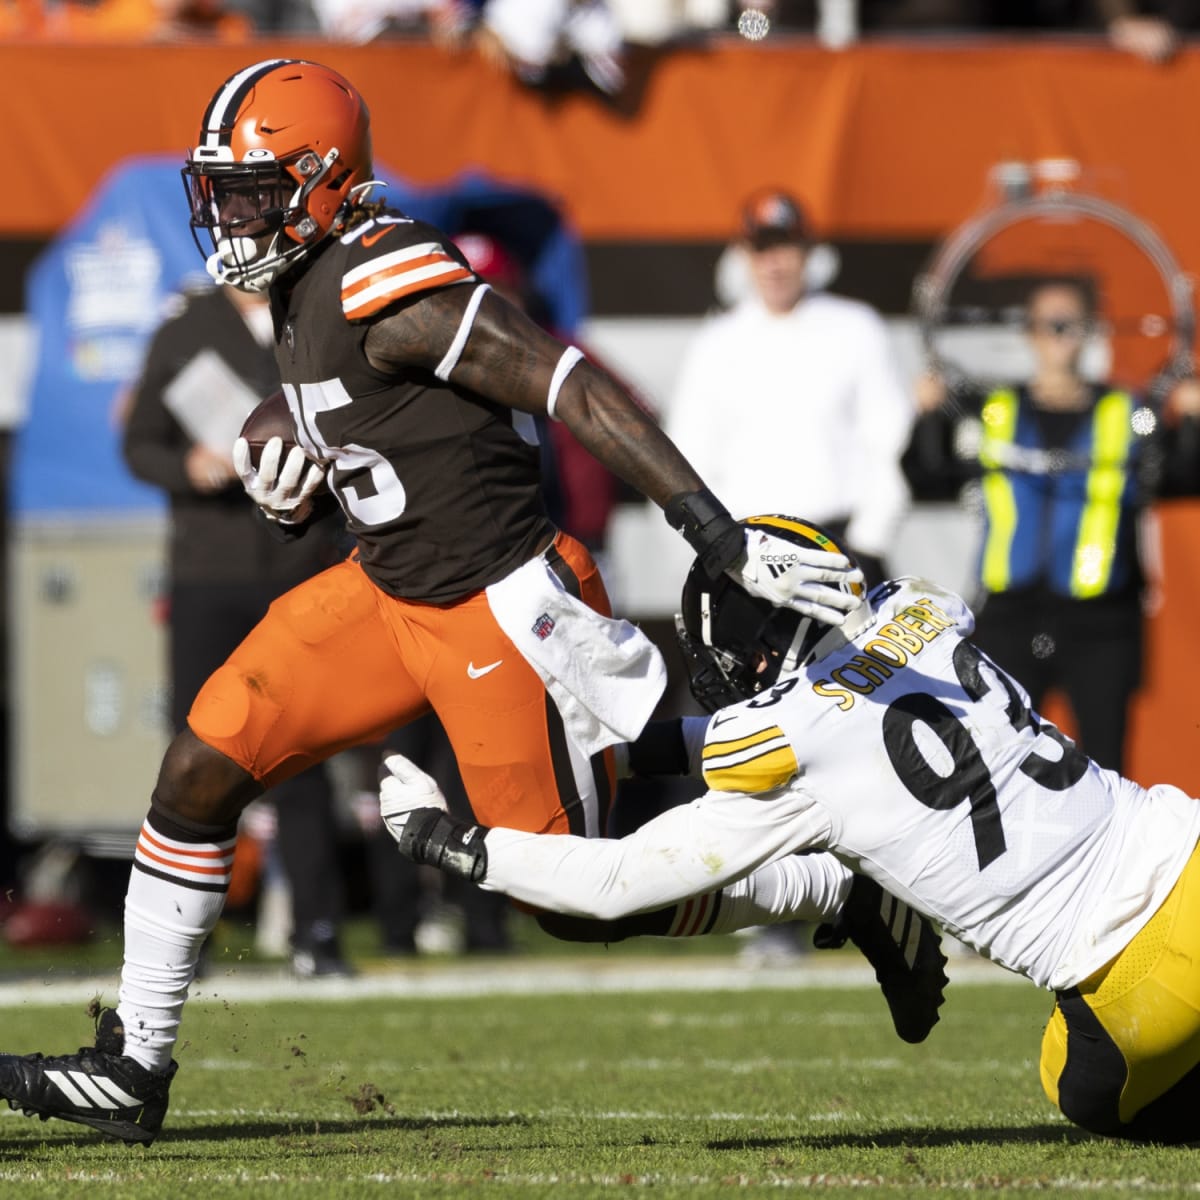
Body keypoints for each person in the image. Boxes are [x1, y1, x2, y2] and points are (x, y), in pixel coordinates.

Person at [0, 57, 864, 1146]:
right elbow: (375, 401)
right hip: (386, 588)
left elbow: (570, 384)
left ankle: (837, 890)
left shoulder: (383, 275)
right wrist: (300, 438)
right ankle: (134, 1062)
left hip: (501, 607)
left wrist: (715, 531)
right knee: (203, 758)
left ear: (323, 183)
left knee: (574, 896)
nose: (233, 214)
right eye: (227, 190)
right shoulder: (305, 281)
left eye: (258, 190)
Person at [383, 514, 1200, 1145]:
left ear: (760, 649)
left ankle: (853, 891)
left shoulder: (788, 740)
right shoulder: (920, 614)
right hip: (1186, 845)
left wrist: (449, 841)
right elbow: (850, 714)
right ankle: (857, 889)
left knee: (1075, 1084)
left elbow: (612, 885)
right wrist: (623, 757)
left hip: (1135, 981)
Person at [121, 283, 352, 978]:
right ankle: (183, 943)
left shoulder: (315, 314)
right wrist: (189, 467)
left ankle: (318, 932)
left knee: (299, 756)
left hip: (296, 565)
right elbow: (139, 444)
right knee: (197, 762)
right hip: (208, 570)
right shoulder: (188, 327)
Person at [903, 279, 1162, 774]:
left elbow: (1177, 475)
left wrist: (1191, 421)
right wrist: (928, 416)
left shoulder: (1128, 414)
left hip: (1101, 621)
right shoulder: (994, 411)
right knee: (1003, 766)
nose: (1059, 334)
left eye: (1070, 322)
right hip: (1010, 617)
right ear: (1030, 333)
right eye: (1049, 323)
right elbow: (927, 476)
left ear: (1089, 331)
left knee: (1107, 768)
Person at [665, 187, 914, 587]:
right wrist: (713, 556)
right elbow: (688, 455)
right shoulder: (715, 343)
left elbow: (892, 441)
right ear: (743, 256)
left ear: (808, 251)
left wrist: (869, 544)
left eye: (785, 247)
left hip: (842, 551)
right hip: (746, 558)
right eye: (761, 249)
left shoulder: (856, 328)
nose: (774, 263)